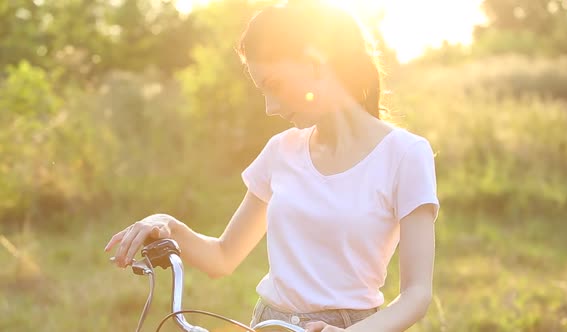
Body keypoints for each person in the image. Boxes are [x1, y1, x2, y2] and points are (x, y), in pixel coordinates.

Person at [104, 1, 440, 331]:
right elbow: (222, 257)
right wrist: (166, 224)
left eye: (274, 86)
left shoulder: (406, 154)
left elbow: (416, 294)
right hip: (268, 324)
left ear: (315, 63)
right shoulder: (281, 151)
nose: (269, 108)